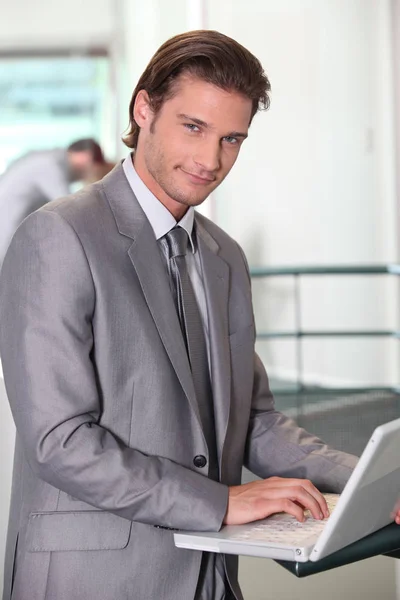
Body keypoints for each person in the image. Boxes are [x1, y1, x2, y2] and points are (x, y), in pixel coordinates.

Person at [1, 30, 399, 600]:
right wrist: (220, 501)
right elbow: (59, 440)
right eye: (194, 127)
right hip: (92, 578)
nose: (211, 160)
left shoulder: (223, 256)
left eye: (232, 138)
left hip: (208, 579)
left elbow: (253, 418)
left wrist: (371, 481)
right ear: (144, 109)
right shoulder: (58, 236)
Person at [0, 138, 107, 266]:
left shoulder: (47, 159)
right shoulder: (50, 165)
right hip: (6, 235)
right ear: (85, 157)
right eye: (91, 171)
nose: (86, 176)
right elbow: (70, 209)